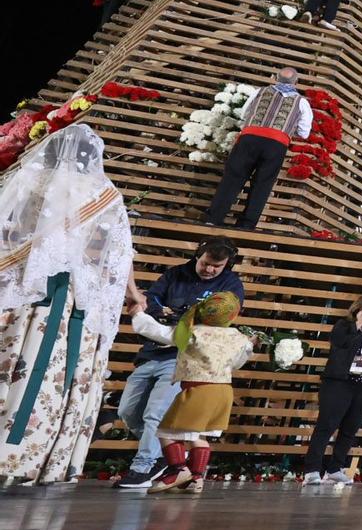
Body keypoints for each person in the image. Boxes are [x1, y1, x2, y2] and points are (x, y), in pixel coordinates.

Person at [0, 126, 137, 486]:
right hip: (68, 297)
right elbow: (118, 256)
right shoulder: (104, 194)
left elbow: (9, 232)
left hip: (22, 290)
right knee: (52, 370)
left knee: (15, 356)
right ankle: (33, 456)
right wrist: (129, 292)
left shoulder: (29, 181)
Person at [115, 238, 244, 489]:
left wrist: (173, 313)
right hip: (152, 353)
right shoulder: (175, 273)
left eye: (216, 266)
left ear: (227, 265)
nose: (209, 270)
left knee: (156, 416)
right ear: (198, 255)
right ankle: (169, 458)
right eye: (206, 263)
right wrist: (172, 312)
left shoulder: (231, 284)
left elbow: (223, 315)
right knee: (128, 412)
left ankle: (144, 467)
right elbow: (152, 299)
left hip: (182, 358)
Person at [149, 292, 253, 494]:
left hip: (199, 388)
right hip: (224, 391)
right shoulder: (239, 337)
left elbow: (161, 334)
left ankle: (179, 470)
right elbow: (237, 364)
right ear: (233, 316)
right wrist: (249, 346)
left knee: (167, 432)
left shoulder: (194, 332)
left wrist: (138, 317)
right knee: (199, 435)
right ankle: (196, 479)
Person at [300, 299, 362, 485]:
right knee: (327, 426)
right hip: (339, 384)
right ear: (359, 310)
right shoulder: (344, 325)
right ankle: (312, 470)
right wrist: (359, 323)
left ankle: (335, 469)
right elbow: (340, 342)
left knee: (349, 430)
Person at [202, 69, 314, 230]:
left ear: (276, 78)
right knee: (262, 184)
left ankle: (213, 219)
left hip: (250, 138)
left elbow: (244, 114)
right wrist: (286, 128)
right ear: (296, 82)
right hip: (277, 144)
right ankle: (246, 225)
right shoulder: (301, 102)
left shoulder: (260, 91)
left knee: (232, 178)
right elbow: (304, 133)